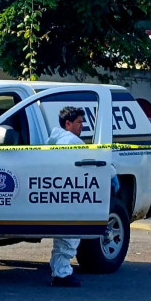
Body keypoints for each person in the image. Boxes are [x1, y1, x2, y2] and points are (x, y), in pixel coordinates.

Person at [47, 106, 117, 287]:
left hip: (58, 196)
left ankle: (59, 271)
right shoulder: (71, 141)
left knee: (63, 237)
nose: (82, 126)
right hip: (69, 198)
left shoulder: (54, 141)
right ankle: (61, 274)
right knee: (70, 235)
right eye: (79, 122)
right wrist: (112, 173)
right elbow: (93, 160)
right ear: (68, 123)